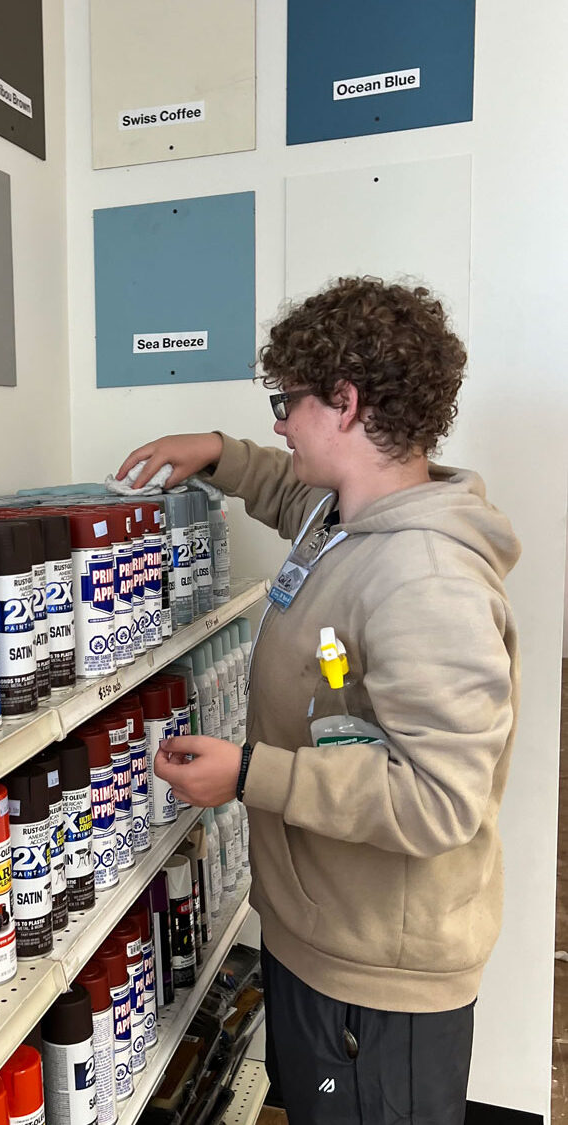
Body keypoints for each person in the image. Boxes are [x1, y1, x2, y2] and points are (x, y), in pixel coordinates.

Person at [118, 277, 520, 1124]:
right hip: (323, 936)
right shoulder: (341, 514)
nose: (276, 420)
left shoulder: (425, 576)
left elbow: (438, 799)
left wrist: (250, 774)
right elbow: (283, 487)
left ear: (343, 402)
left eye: (284, 401)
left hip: (377, 983)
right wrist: (219, 452)